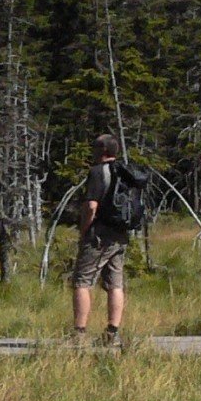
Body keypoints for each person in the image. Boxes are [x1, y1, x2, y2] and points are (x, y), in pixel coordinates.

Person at [72, 133, 128, 347]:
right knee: (115, 283)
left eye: (95, 148)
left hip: (99, 235)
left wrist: (84, 230)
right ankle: (112, 332)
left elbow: (91, 206)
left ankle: (79, 333)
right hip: (120, 234)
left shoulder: (98, 172)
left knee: (82, 281)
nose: (92, 152)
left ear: (103, 150)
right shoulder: (124, 171)